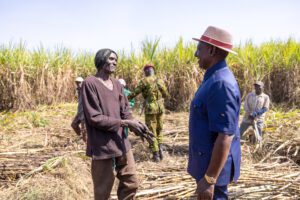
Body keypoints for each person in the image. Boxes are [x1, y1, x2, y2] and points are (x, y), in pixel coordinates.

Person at [81, 48, 153, 200]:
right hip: (102, 145)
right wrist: (124, 123)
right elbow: (94, 117)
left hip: (121, 142)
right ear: (101, 59)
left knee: (131, 183)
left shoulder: (117, 84)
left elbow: (125, 110)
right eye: (111, 59)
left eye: (116, 60)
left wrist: (135, 124)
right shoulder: (90, 83)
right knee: (102, 191)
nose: (114, 62)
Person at [188, 26, 241, 199]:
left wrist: (209, 179)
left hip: (212, 171)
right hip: (207, 165)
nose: (196, 54)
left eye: (199, 49)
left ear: (211, 50)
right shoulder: (213, 78)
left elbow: (225, 136)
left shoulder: (221, 83)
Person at [128, 64, 169, 162]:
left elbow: (134, 93)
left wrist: (124, 98)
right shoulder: (160, 81)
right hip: (160, 108)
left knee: (151, 131)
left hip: (150, 109)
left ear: (146, 71)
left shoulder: (144, 81)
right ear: (153, 71)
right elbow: (166, 94)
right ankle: (161, 150)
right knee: (159, 130)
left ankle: (156, 155)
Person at [71, 76, 87, 142]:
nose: (78, 84)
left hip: (84, 113)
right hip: (79, 112)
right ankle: (80, 136)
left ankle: (86, 143)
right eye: (77, 83)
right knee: (74, 124)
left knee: (84, 130)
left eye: (79, 82)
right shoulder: (78, 90)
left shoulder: (86, 90)